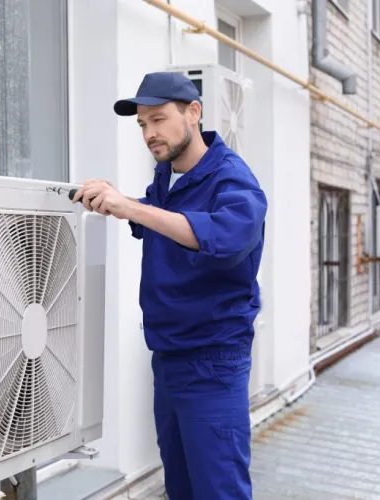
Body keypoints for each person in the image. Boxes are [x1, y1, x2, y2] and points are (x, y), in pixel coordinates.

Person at [71, 71, 267, 500]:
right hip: (169, 357)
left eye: (158, 119)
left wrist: (134, 210)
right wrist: (119, 200)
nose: (149, 134)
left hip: (213, 361)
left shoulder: (233, 179)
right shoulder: (168, 175)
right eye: (142, 124)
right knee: (180, 487)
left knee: (219, 491)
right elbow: (161, 220)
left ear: (193, 112)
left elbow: (226, 237)